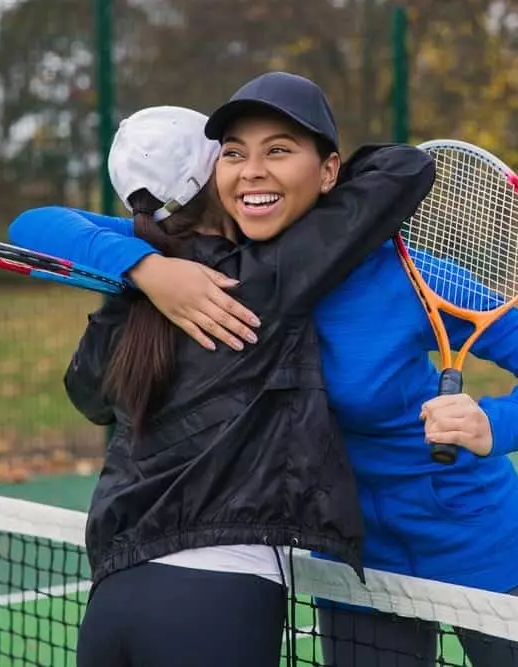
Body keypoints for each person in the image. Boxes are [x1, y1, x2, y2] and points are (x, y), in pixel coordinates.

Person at [10, 72, 518, 666]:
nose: (253, 170)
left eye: (280, 150)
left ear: (329, 172)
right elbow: (38, 226)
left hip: (486, 546)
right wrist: (148, 269)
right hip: (356, 571)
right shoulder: (211, 266)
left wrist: (495, 424)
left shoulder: (401, 271)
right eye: (235, 154)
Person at [61, 103, 437, 667]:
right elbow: (406, 168)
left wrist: (143, 268)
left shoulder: (124, 303)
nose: (247, 169)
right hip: (217, 602)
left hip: (113, 596)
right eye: (232, 155)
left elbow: (85, 395)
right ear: (211, 177)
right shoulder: (265, 276)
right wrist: (315, 176)